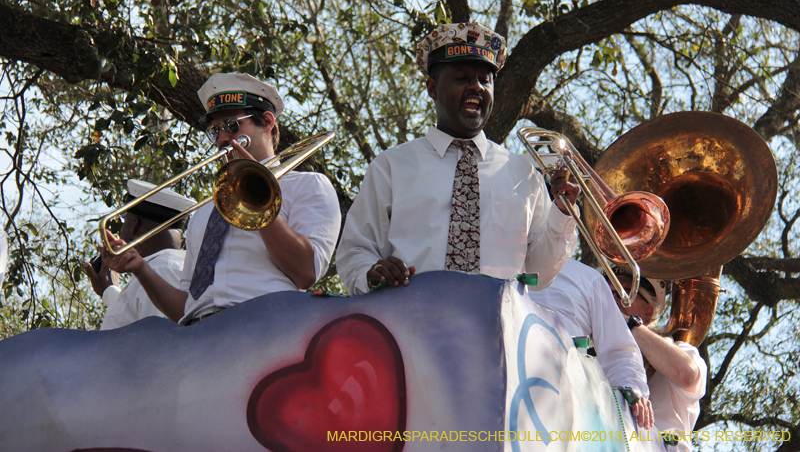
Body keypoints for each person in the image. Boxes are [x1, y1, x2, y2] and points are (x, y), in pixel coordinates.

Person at [336, 22, 579, 295]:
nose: (476, 87)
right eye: (462, 79)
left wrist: (562, 213)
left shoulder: (523, 173)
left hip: (498, 328)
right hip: (411, 325)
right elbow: (355, 251)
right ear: (432, 89)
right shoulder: (391, 167)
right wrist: (371, 273)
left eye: (485, 80)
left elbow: (540, 275)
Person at [104, 73, 341, 325]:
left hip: (267, 325)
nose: (221, 140)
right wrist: (140, 268)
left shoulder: (307, 185)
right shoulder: (207, 210)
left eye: (231, 125)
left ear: (268, 121)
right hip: (202, 338)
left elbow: (307, 272)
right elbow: (187, 307)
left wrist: (257, 201)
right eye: (215, 131)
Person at [528, 258, 654, 429]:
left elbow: (619, 352)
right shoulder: (482, 257)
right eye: (612, 293)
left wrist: (632, 390)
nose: (617, 300)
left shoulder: (588, 279)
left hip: (561, 400)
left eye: (621, 291)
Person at [607, 267, 706, 451]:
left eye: (624, 292)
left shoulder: (679, 349)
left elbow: (685, 373)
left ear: (647, 311)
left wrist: (630, 325)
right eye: (606, 292)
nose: (612, 299)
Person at [85, 180, 195, 330]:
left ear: (133, 226)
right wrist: (108, 291)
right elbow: (136, 319)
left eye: (125, 222)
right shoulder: (167, 267)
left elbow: (160, 342)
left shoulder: (161, 269)